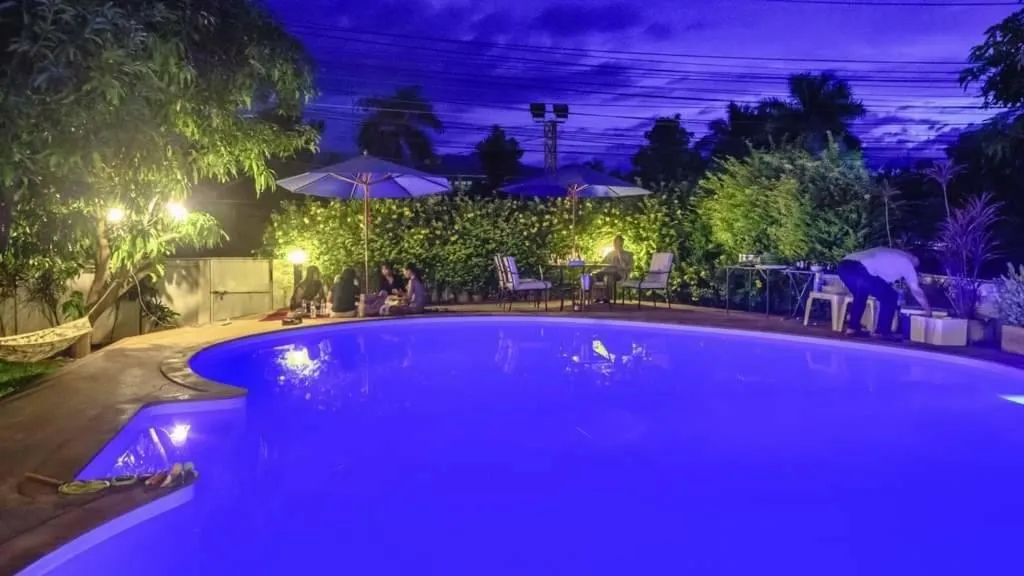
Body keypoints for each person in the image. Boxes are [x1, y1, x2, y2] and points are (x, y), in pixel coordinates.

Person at [837, 247, 931, 339]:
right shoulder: (906, 261)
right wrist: (927, 309)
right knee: (890, 296)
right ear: (913, 256)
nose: (914, 267)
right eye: (916, 265)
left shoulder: (893, 254)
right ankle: (882, 332)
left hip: (844, 267)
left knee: (861, 294)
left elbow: (877, 281)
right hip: (860, 269)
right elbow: (915, 290)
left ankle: (852, 329)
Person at [594, 235, 634, 303]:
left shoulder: (628, 254)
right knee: (596, 275)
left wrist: (619, 255)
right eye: (615, 243)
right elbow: (601, 263)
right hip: (608, 271)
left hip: (621, 274)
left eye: (618, 242)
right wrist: (595, 264)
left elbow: (628, 267)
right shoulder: (610, 253)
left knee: (610, 277)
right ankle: (598, 297)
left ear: (622, 243)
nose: (616, 244)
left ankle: (607, 298)